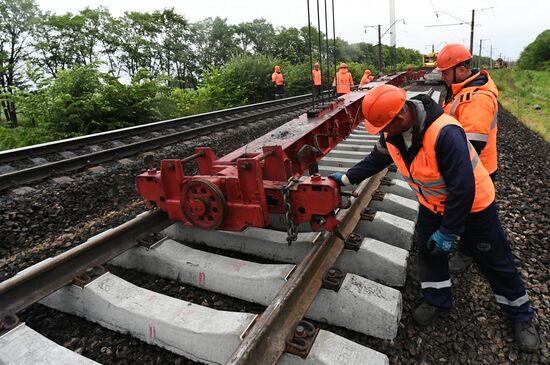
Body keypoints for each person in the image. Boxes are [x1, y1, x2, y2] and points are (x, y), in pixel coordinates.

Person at [329, 84, 540, 353]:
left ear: (401, 116)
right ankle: (437, 299)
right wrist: (346, 179)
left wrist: (449, 232)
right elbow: (375, 160)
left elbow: (463, 188)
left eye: (383, 126)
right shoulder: (392, 134)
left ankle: (520, 316)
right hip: (433, 205)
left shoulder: (445, 133)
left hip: (475, 205)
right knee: (429, 253)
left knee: (495, 260)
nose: (381, 133)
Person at [437, 43, 499, 274]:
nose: (442, 76)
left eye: (445, 72)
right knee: (466, 209)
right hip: (469, 165)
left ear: (461, 70)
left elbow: (473, 145)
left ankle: (468, 252)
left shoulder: (477, 99)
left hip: (477, 167)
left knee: (474, 214)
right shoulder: (461, 90)